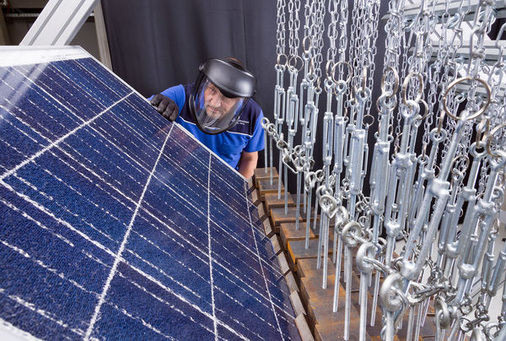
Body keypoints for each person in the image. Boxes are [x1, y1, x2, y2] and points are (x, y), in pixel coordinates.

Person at [150, 57, 265, 179]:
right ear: (205, 84)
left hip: (222, 184)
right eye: (212, 90)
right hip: (176, 176)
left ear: (239, 100)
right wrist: (157, 106)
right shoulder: (180, 96)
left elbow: (250, 159)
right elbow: (139, 111)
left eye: (227, 97)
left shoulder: (253, 115)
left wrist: (238, 191)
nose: (215, 103)